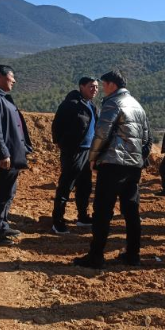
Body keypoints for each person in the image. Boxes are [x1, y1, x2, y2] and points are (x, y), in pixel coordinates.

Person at [74, 70, 150, 269]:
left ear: (112, 85)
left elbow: (101, 133)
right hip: (133, 166)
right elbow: (146, 138)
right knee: (131, 211)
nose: (102, 89)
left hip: (113, 163)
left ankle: (96, 256)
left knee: (102, 211)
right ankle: (133, 255)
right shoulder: (137, 105)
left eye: (104, 84)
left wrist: (92, 158)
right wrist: (139, 159)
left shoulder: (113, 103)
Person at [0, 65, 33, 245]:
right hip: (4, 156)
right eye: (11, 76)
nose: (14, 80)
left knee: (8, 191)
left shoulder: (1, 96)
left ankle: (2, 225)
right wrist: (3, 153)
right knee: (2, 192)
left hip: (12, 153)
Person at [50, 77, 99, 233]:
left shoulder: (92, 105)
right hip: (74, 151)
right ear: (81, 87)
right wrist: (63, 145)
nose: (95, 89)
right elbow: (57, 126)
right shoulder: (70, 104)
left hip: (88, 152)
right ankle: (57, 221)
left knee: (85, 186)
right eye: (91, 86)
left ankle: (83, 217)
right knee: (66, 185)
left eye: (97, 87)